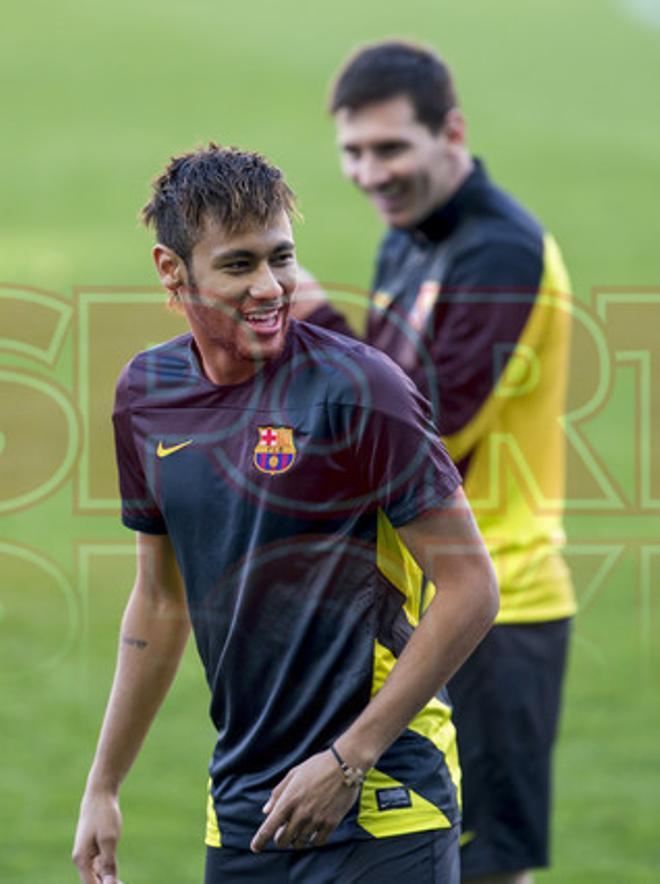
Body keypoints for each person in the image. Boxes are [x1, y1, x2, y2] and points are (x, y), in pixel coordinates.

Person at [71, 143, 498, 884]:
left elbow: (471, 590)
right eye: (239, 265)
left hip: (383, 803)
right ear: (172, 272)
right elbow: (161, 601)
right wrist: (103, 784)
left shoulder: (360, 389)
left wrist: (347, 758)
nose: (270, 287)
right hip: (247, 816)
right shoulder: (147, 396)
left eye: (281, 258)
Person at [293, 41, 576, 884]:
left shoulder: (501, 252)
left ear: (450, 131)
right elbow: (383, 395)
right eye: (352, 151)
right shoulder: (410, 237)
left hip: (500, 606)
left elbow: (421, 436)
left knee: (486, 869)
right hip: (423, 602)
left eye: (390, 148)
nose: (369, 172)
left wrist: (318, 327)